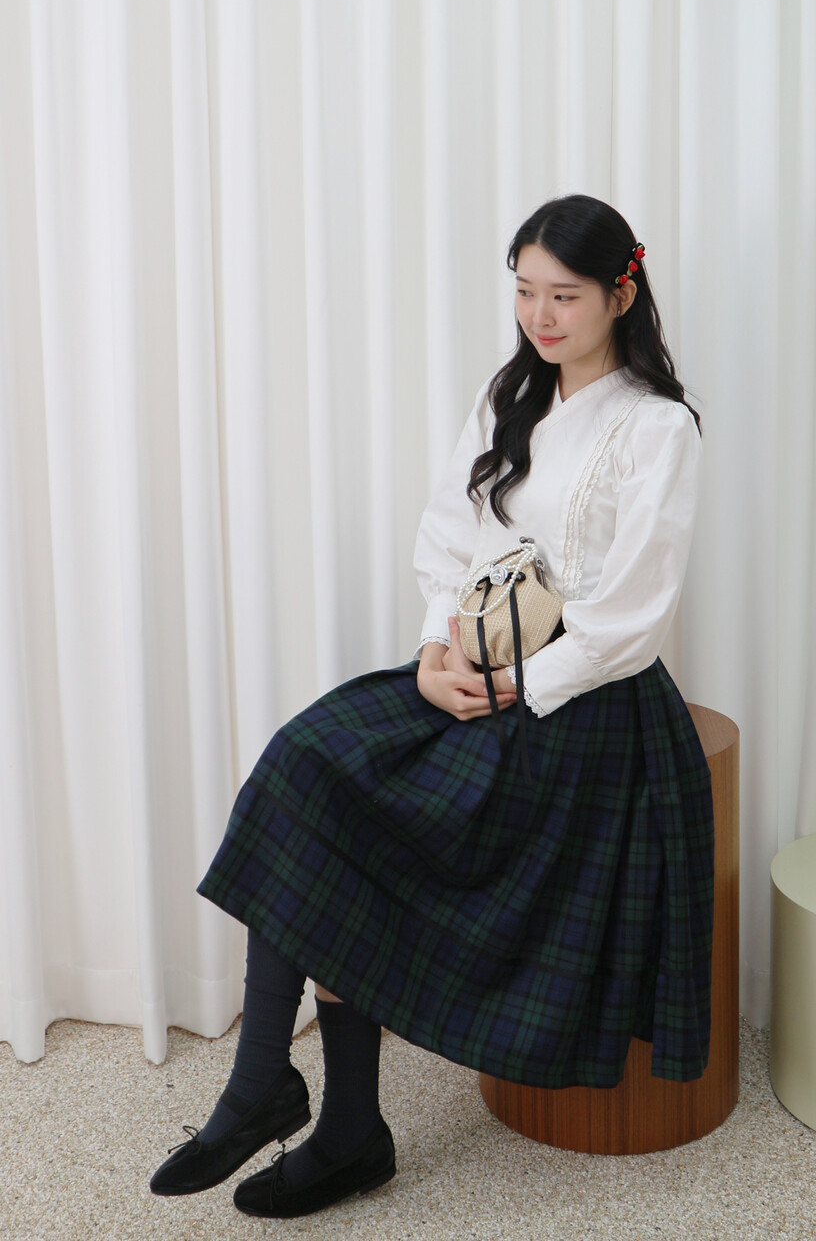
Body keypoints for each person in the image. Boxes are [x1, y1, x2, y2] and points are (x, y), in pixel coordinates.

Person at [149, 193, 715, 1219]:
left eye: (564, 296)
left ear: (621, 294)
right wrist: (428, 654)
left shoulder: (656, 426)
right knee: (307, 760)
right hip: (472, 668)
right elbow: (450, 541)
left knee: (355, 812)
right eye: (525, 291)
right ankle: (276, 1085)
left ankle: (331, 1124)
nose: (539, 316)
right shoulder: (512, 394)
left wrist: (518, 687)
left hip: (579, 699)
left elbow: (632, 619)